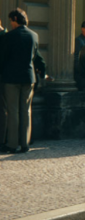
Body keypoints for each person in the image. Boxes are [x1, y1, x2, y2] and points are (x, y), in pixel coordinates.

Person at [0, 9, 46, 153]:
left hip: (11, 78)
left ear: (15, 19)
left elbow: (3, 58)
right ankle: (25, 143)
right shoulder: (34, 35)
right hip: (28, 77)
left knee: (13, 111)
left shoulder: (9, 36)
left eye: (11, 21)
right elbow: (36, 57)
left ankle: (12, 144)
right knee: (26, 111)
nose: (11, 24)